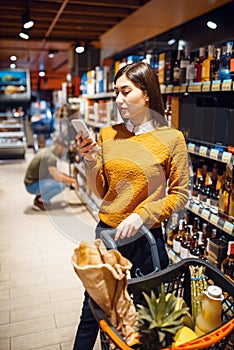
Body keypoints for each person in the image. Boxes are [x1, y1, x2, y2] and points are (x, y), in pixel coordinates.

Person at [73, 61, 189, 349]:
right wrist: (90, 161)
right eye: (115, 92)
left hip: (148, 240)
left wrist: (144, 214)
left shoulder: (172, 139)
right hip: (108, 236)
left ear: (147, 94)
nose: (118, 99)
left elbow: (180, 194)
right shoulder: (108, 135)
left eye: (126, 91)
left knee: (147, 317)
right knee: (93, 312)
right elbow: (101, 191)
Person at [24, 136, 79, 211]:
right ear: (59, 147)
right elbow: (57, 177)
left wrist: (67, 177)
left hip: (33, 182)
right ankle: (40, 201)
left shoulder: (47, 151)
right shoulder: (50, 157)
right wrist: (72, 181)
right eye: (64, 149)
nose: (64, 153)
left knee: (61, 181)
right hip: (32, 186)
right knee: (61, 185)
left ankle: (40, 197)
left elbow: (55, 172)